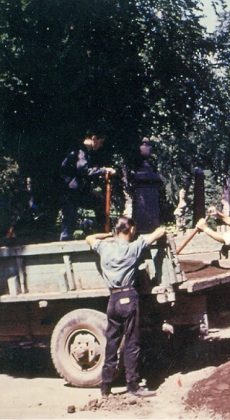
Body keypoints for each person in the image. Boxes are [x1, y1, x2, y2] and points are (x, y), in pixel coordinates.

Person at [86, 216, 166, 398]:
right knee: (132, 342)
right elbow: (158, 233)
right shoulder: (133, 248)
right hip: (128, 297)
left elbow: (89, 238)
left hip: (113, 299)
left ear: (116, 231)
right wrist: (162, 230)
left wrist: (106, 235)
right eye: (133, 230)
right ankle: (133, 385)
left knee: (111, 343)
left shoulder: (104, 247)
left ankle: (105, 387)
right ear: (130, 230)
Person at [60, 131, 116, 240]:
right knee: (69, 217)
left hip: (77, 190)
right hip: (71, 191)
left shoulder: (85, 151)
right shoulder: (80, 151)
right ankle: (64, 246)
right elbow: (85, 171)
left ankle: (101, 233)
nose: (101, 145)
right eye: (100, 142)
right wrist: (104, 170)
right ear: (94, 138)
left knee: (98, 201)